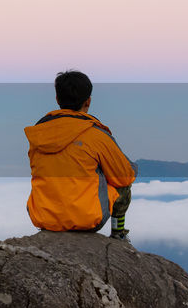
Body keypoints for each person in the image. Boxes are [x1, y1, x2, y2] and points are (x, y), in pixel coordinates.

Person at [25, 70, 135, 240]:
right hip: (87, 219)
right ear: (88, 101)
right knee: (122, 186)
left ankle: (53, 221)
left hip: (42, 217)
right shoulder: (96, 135)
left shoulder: (38, 134)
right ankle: (118, 234)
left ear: (57, 99)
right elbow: (124, 177)